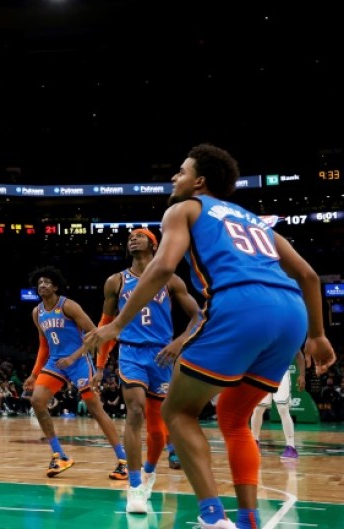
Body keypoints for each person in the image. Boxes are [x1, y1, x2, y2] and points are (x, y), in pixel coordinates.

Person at [84, 144, 337, 529]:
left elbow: (163, 266)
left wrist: (117, 325)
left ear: (199, 181)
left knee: (178, 412)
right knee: (233, 417)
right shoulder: (254, 221)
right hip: (291, 313)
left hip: (241, 303)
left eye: (181, 172)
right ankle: (248, 519)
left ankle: (213, 517)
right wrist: (317, 335)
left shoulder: (184, 208)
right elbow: (307, 276)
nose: (174, 178)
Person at [95, 228, 201, 513]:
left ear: (154, 245)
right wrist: (100, 366)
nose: (132, 238)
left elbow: (198, 316)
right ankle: (134, 486)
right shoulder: (115, 281)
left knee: (158, 429)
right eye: (129, 236)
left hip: (162, 355)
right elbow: (106, 324)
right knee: (135, 411)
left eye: (139, 235)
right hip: (130, 352)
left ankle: (149, 474)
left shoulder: (169, 279)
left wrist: (179, 343)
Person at [24, 266, 128, 480]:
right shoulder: (37, 312)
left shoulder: (68, 306)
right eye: (39, 282)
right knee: (37, 401)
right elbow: (44, 346)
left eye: (46, 282)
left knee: (95, 409)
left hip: (79, 360)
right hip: (55, 362)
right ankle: (59, 455)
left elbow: (94, 334)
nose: (42, 285)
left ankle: (123, 460)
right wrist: (34, 374)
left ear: (55, 286)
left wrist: (74, 356)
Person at [250, 348, 305, 459]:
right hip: (262, 373)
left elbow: (298, 354)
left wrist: (302, 375)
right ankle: (254, 442)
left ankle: (291, 446)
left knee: (283, 409)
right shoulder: (259, 333)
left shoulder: (285, 332)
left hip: (281, 374)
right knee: (258, 409)